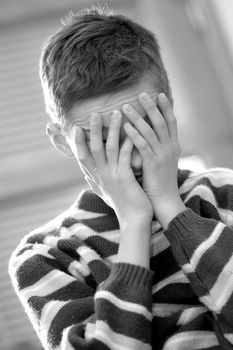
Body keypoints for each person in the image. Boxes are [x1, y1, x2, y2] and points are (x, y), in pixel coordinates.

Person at [8, 5, 233, 350]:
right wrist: (134, 224)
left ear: (168, 107)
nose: (127, 158)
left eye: (142, 126)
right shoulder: (47, 256)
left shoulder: (225, 193)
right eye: (102, 140)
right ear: (61, 141)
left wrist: (171, 208)